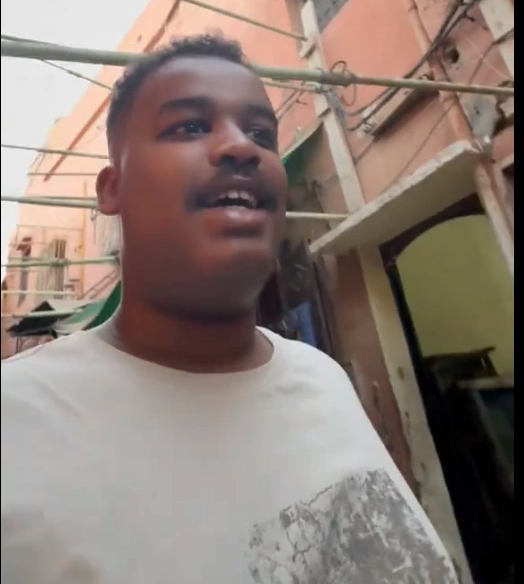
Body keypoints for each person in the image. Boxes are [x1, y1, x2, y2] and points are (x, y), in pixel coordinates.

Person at [1, 35, 459, 584]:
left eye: (262, 133)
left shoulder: (322, 378)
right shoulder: (19, 422)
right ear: (112, 189)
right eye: (190, 126)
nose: (242, 147)